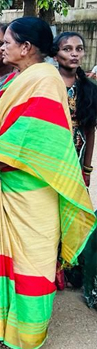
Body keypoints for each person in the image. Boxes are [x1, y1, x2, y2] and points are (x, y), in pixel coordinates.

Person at [0, 17, 95, 349]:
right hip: (7, 180)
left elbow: (33, 134)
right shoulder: (19, 78)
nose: (0, 47)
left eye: (6, 42)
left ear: (26, 47)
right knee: (4, 253)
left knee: (31, 259)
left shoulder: (45, 78)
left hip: (33, 186)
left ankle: (28, 332)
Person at [52, 32, 97, 304]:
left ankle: (69, 268)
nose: (74, 53)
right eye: (67, 48)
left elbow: (91, 127)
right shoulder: (47, 82)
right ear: (56, 53)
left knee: (72, 209)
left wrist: (88, 167)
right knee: (50, 209)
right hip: (50, 157)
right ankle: (51, 267)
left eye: (79, 49)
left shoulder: (89, 88)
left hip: (76, 156)